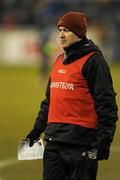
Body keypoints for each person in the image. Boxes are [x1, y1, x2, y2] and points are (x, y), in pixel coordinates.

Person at [25, 12, 118, 180]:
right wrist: (37, 130)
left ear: (79, 33)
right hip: (54, 141)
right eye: (60, 30)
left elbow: (107, 104)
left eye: (66, 30)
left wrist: (103, 141)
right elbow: (49, 101)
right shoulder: (59, 59)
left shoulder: (93, 60)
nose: (61, 35)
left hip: (81, 144)